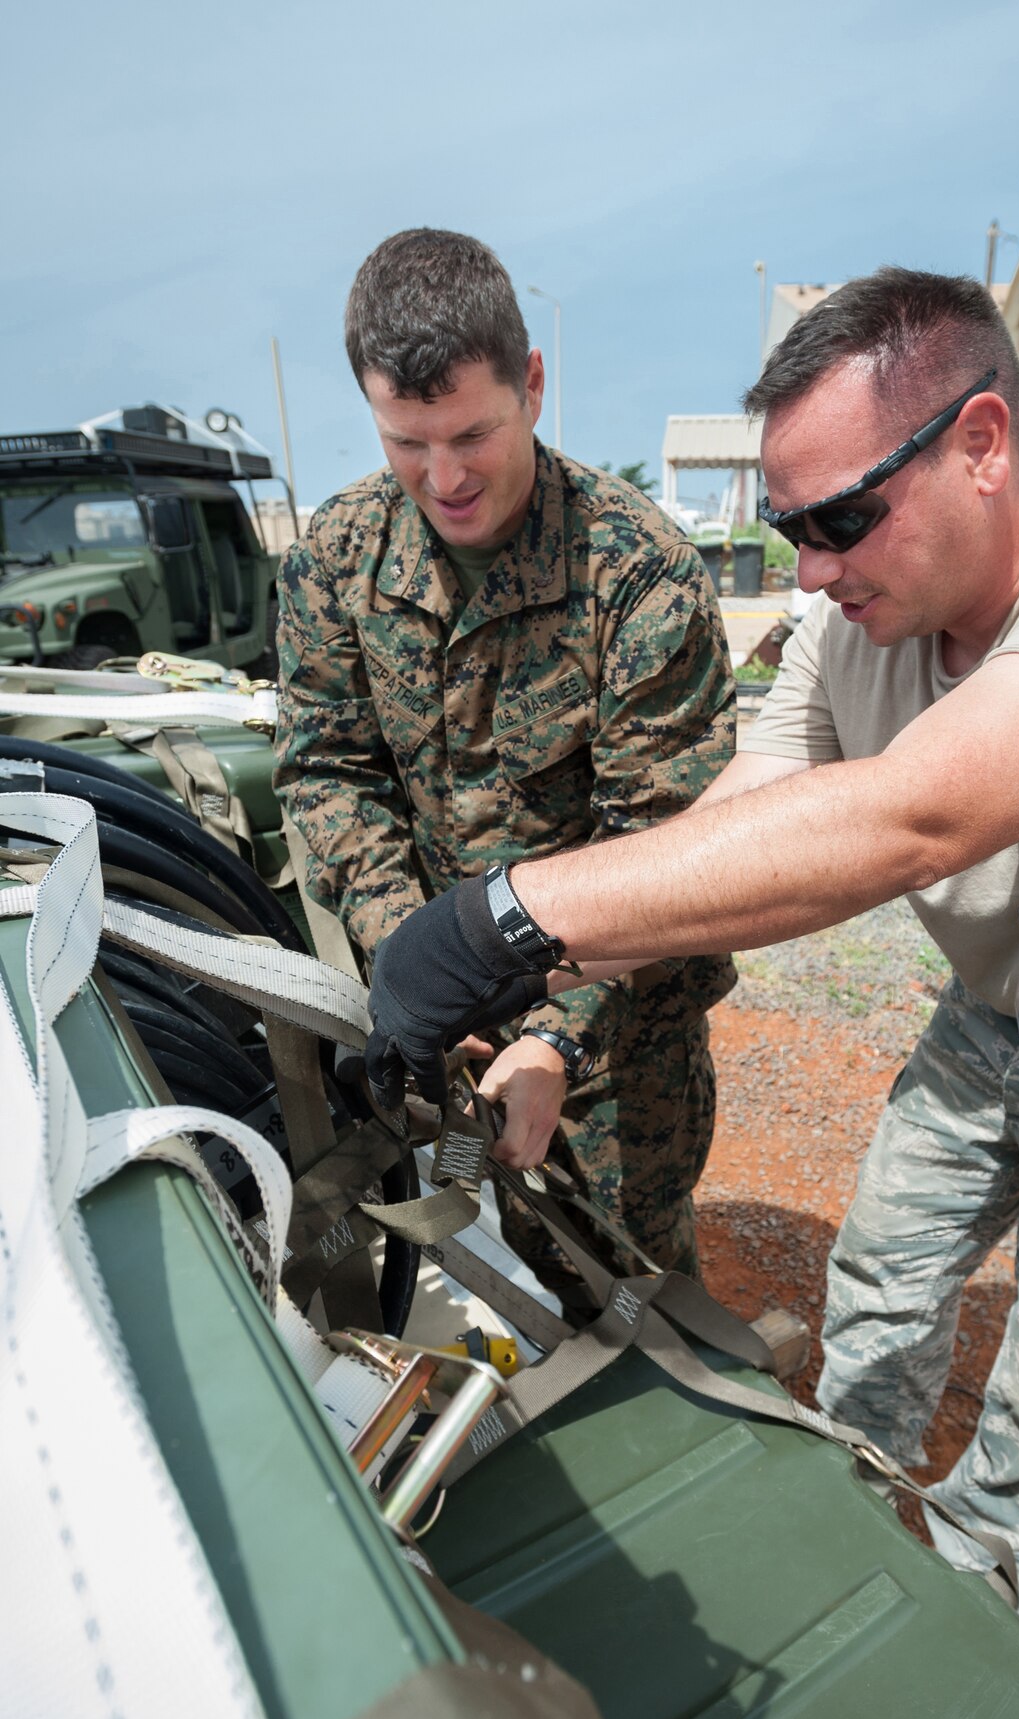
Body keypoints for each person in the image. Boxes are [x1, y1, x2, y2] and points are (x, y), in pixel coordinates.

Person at [362, 266, 1019, 1626]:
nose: (808, 571)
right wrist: (539, 987)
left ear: (982, 444)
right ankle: (855, 1510)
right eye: (786, 527)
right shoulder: (850, 626)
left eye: (840, 520)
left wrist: (509, 911)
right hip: (999, 1017)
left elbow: (920, 815)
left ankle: (982, 1632)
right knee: (878, 1282)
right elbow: (748, 817)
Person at [273, 228, 736, 1284]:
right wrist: (418, 967)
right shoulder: (336, 559)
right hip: (444, 1018)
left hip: (621, 1040)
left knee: (624, 1287)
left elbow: (670, 852)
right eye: (404, 441)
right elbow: (331, 772)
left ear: (531, 384)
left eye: (471, 434)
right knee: (467, 1269)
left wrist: (556, 1039)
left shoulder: (637, 576)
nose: (442, 477)